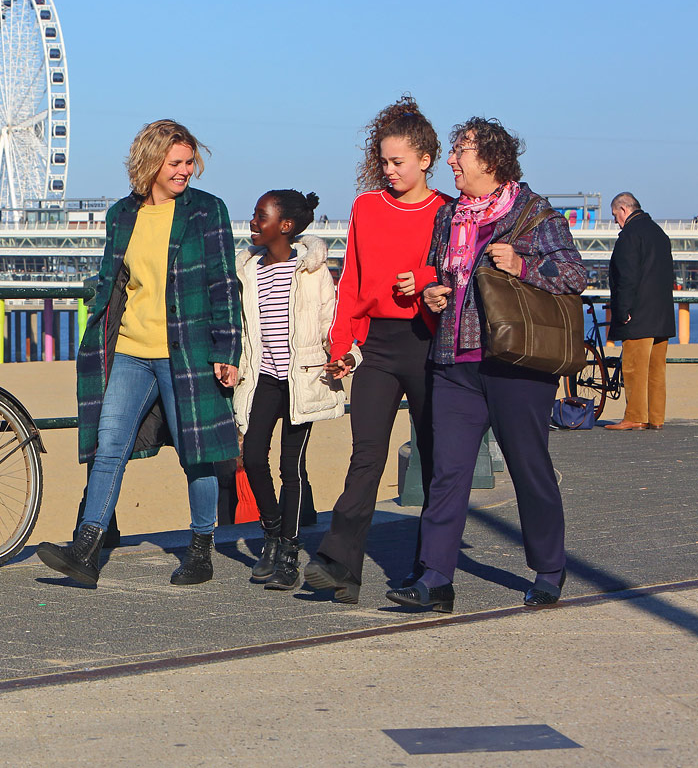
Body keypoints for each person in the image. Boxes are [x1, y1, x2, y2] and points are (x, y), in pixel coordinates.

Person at [387, 117, 588, 613]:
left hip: (515, 364)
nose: (452, 161)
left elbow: (575, 274)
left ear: (491, 162)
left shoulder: (533, 215)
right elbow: (442, 270)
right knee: (447, 473)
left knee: (528, 466)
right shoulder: (449, 216)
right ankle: (435, 579)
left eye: (461, 153)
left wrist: (523, 266)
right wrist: (433, 291)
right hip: (454, 360)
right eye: (454, 152)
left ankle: (548, 569)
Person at [37, 119, 241, 588]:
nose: (185, 171)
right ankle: (86, 549)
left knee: (197, 452)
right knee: (109, 447)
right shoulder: (121, 215)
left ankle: (200, 548)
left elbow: (223, 284)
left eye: (190, 162)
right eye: (175, 163)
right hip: (130, 349)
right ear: (150, 162)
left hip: (185, 352)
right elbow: (116, 282)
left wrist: (227, 348)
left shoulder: (207, 212)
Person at [302, 96, 450, 604]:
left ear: (426, 159)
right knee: (365, 455)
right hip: (379, 349)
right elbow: (352, 283)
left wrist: (428, 278)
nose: (388, 171)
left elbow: (461, 272)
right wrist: (342, 344)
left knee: (435, 461)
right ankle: (340, 564)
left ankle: (430, 574)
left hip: (432, 344)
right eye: (383, 162)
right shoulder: (366, 207)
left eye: (398, 162)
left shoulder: (448, 212)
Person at [232, 189, 345, 589]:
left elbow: (334, 323)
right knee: (254, 459)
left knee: (291, 467)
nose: (252, 222)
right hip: (264, 378)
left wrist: (347, 357)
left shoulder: (312, 271)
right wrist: (234, 366)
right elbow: (244, 331)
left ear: (286, 226)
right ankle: (272, 532)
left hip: (304, 378)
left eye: (260, 216)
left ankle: (289, 550)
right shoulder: (248, 270)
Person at [605, 191, 675, 430]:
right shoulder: (659, 233)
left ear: (623, 210)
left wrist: (623, 310)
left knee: (634, 367)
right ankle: (655, 418)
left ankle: (635, 416)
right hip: (662, 315)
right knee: (657, 370)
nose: (616, 221)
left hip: (638, 315)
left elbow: (627, 277)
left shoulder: (630, 236)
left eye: (615, 215)